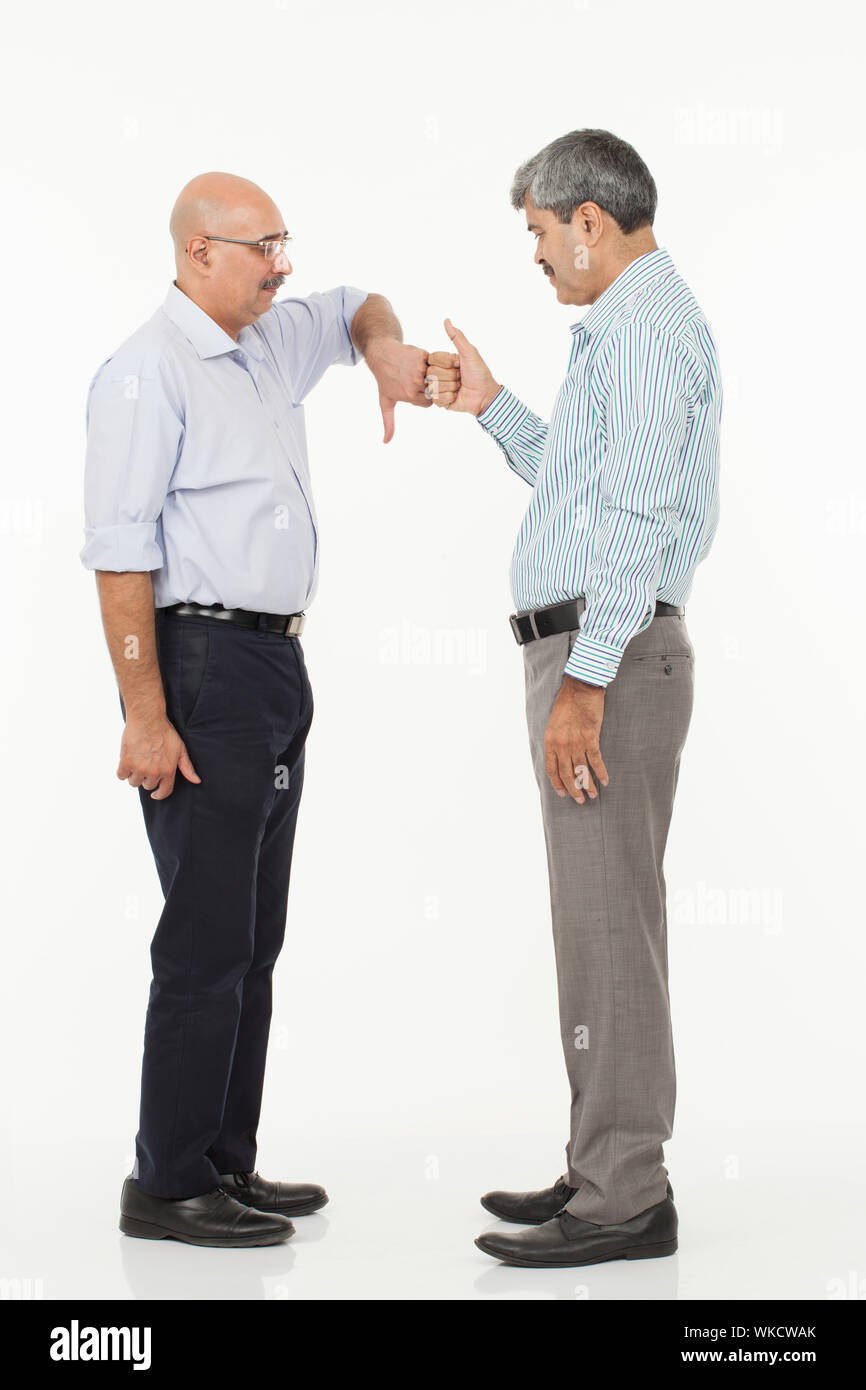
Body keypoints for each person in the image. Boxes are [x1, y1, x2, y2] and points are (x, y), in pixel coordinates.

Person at [81, 171, 431, 1248]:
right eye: (260, 246)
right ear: (197, 254)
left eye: (285, 242)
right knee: (204, 937)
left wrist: (380, 352)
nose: (282, 264)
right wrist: (146, 715)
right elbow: (118, 555)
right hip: (201, 669)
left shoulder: (270, 337)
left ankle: (225, 1160)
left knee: (253, 934)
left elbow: (360, 300)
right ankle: (167, 1179)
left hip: (276, 670)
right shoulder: (146, 373)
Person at [425, 128, 721, 1268]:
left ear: (587, 220)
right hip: (601, 650)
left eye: (540, 234)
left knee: (610, 931)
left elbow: (636, 529)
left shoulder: (641, 334)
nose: (538, 259)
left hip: (609, 655)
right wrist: (496, 405)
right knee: (596, 929)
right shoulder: (633, 328)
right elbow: (590, 492)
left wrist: (584, 683)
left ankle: (625, 1195)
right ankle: (600, 1166)